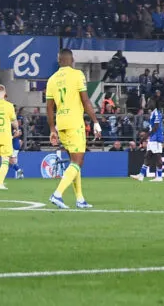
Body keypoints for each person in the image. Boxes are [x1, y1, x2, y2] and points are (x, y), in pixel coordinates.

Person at [46, 48, 103, 209]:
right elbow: (85, 101)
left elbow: (49, 107)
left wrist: (52, 129)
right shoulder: (77, 75)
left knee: (73, 162)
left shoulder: (52, 79)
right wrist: (95, 121)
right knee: (78, 161)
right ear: (72, 60)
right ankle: (57, 194)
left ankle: (80, 199)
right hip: (74, 122)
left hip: (61, 124)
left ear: (59, 61)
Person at [132, 99, 164, 182]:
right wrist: (147, 136)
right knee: (147, 155)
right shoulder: (153, 113)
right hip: (152, 138)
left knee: (158, 157)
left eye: (150, 102)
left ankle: (159, 177)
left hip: (156, 138)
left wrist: (146, 136)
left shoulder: (157, 113)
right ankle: (141, 175)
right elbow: (152, 127)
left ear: (154, 104)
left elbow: (156, 127)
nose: (148, 104)